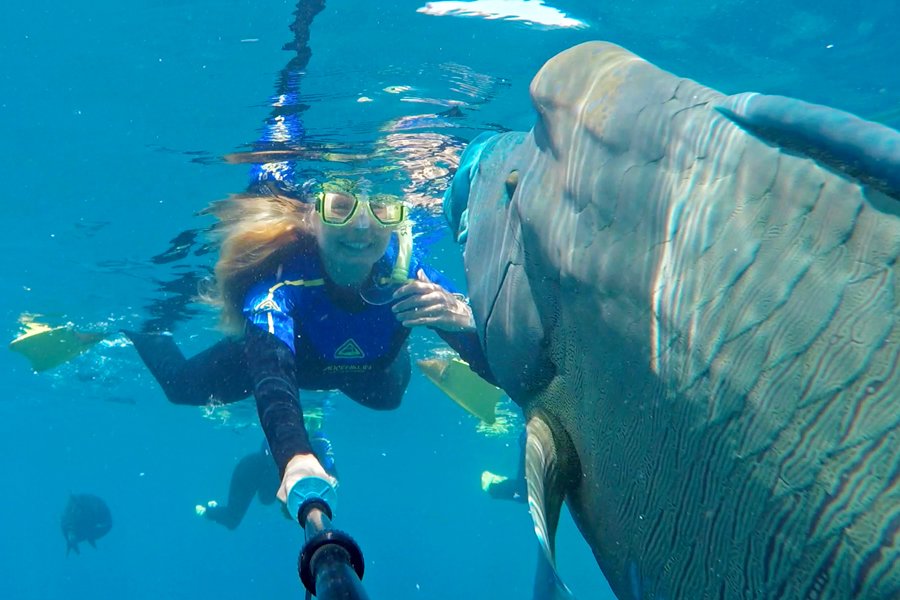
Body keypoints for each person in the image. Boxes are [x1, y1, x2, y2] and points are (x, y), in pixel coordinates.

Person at [126, 177, 494, 511]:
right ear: (312, 218)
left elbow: (499, 366)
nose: (363, 226)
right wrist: (295, 455)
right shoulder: (282, 285)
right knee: (181, 386)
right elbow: (271, 381)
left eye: (380, 210)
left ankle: (405, 347)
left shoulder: (408, 272)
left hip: (373, 373)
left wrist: (468, 323)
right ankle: (144, 327)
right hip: (295, 361)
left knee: (389, 399)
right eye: (340, 208)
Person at [197, 432, 336, 530]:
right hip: (254, 472)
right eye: (308, 420)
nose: (311, 426)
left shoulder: (320, 441)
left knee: (269, 499)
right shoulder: (283, 429)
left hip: (279, 479)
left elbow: (333, 476)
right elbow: (266, 451)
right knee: (232, 520)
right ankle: (207, 511)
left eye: (315, 422)